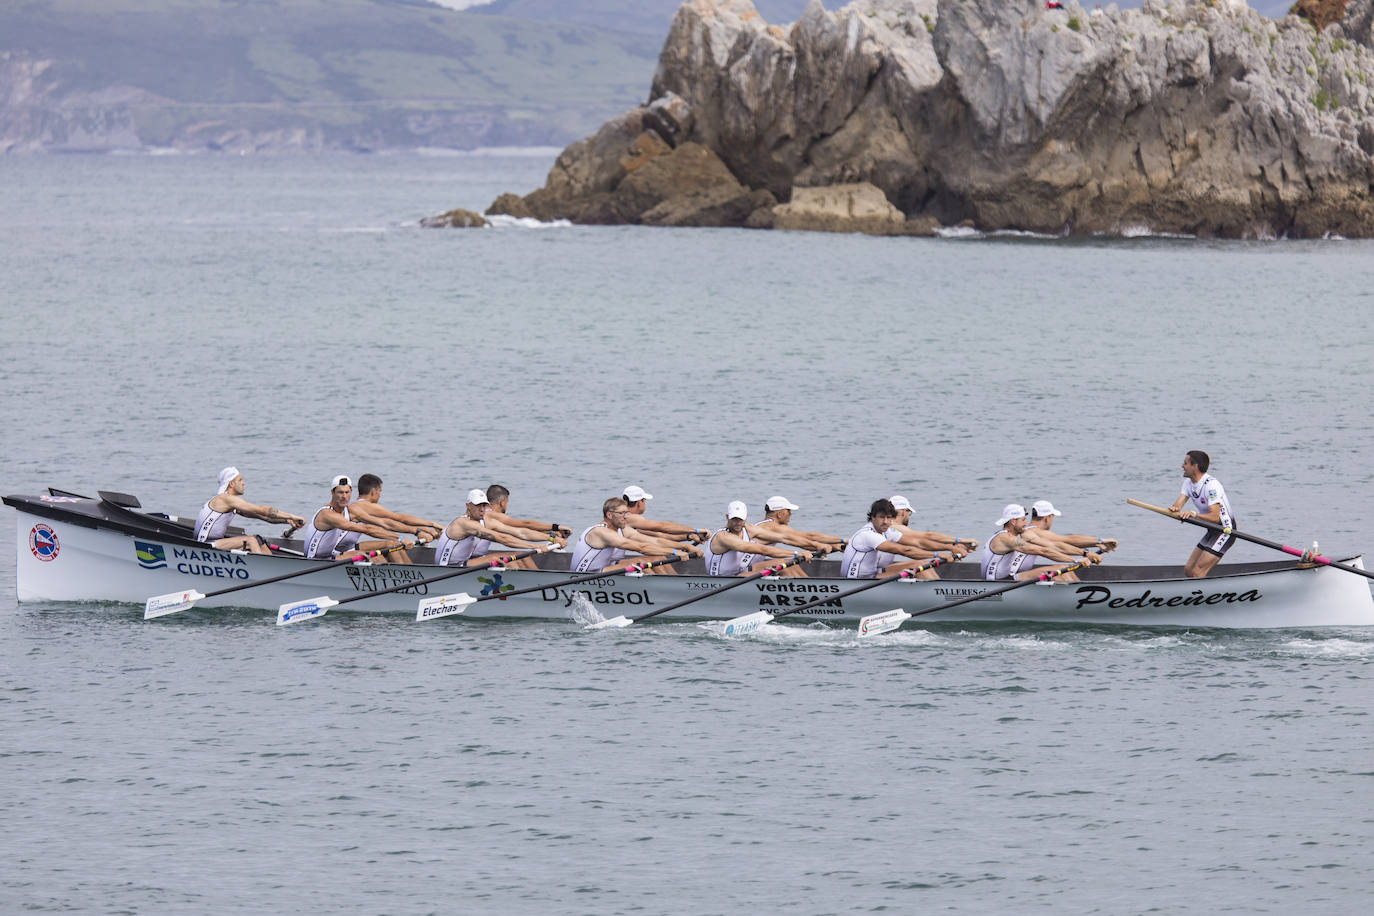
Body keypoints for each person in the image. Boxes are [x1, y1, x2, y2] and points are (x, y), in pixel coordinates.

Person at [569, 497, 701, 573]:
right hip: (586, 576)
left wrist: (684, 547)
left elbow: (654, 542)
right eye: (622, 513)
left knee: (658, 558)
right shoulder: (601, 532)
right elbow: (641, 548)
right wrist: (674, 552)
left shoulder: (623, 529)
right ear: (609, 515)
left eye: (627, 513)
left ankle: (677, 587)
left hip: (604, 569)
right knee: (641, 562)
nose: (626, 517)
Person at [300, 474, 413, 563]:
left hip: (332, 555)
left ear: (351, 492)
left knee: (385, 552)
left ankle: (412, 577)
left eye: (347, 492)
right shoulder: (327, 514)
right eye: (340, 492)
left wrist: (416, 532)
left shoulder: (350, 510)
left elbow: (382, 523)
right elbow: (367, 529)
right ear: (332, 492)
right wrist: (400, 538)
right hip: (316, 560)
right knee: (370, 558)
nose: (344, 496)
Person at [193, 466, 306, 555]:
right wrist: (292, 516)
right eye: (240, 480)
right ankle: (265, 574)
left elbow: (265, 517)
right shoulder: (225, 499)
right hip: (205, 545)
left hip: (217, 542)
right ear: (231, 484)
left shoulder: (231, 504)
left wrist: (287, 521)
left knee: (258, 539)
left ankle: (273, 570)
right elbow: (263, 510)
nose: (243, 483)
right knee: (251, 541)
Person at [433, 489, 554, 569]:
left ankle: (539, 588)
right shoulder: (463, 523)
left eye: (484, 505)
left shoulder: (484, 521)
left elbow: (520, 532)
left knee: (522, 557)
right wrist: (534, 547)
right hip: (448, 568)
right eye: (478, 505)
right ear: (468, 506)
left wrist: (551, 538)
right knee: (497, 559)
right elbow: (501, 538)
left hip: (465, 562)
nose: (482, 509)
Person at [841, 498, 959, 579]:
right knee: (920, 568)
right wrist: (936, 555)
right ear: (873, 517)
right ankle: (941, 598)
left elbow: (918, 542)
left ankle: (939, 592)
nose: (886, 522)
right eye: (882, 517)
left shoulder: (887, 531)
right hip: (859, 581)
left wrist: (949, 547)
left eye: (889, 518)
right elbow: (904, 550)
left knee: (921, 563)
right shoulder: (867, 535)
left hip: (874, 574)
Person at [981, 503, 1099, 582]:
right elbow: (1042, 551)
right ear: (1012, 521)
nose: (1026, 524)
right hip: (997, 583)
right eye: (1023, 520)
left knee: (1064, 568)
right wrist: (1076, 560)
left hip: (1009, 577)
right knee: (1057, 571)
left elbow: (1053, 545)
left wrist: (1084, 554)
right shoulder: (1005, 539)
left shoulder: (1018, 535)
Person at [1167, 450, 1236, 578]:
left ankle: (1202, 595)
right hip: (1212, 531)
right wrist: (1174, 510)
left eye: (1185, 463)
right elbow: (1177, 506)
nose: (1182, 466)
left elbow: (1214, 518)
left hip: (1225, 531)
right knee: (1189, 569)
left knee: (1198, 571)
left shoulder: (1212, 486)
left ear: (1195, 466)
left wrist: (1193, 515)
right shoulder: (1188, 483)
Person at [701, 501, 814, 576]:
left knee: (786, 563)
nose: (737, 523)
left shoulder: (750, 529)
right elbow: (763, 550)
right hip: (721, 582)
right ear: (727, 517)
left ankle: (813, 591)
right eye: (734, 519)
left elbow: (784, 538)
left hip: (740, 573)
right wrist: (796, 554)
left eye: (740, 519)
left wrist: (816, 546)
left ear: (745, 518)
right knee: (784, 567)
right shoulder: (724, 537)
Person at [887, 495, 978, 579]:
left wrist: (952, 546)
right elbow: (927, 537)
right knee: (918, 565)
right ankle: (941, 594)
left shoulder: (890, 528)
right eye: (909, 512)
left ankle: (941, 592)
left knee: (923, 563)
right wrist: (960, 541)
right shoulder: (893, 527)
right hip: (876, 573)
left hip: (883, 568)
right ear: (903, 512)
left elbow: (921, 545)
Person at [348, 473, 442, 544]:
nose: (380, 495)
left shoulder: (359, 507)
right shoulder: (365, 506)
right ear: (373, 491)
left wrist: (425, 530)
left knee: (392, 544)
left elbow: (390, 524)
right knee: (391, 544)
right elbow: (399, 518)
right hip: (342, 551)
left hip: (346, 547)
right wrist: (431, 524)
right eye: (380, 491)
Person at [1024, 500, 1118, 559]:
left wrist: (1096, 544)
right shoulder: (1035, 532)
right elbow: (1068, 540)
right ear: (1047, 518)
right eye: (1053, 517)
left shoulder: (1029, 530)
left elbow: (1066, 543)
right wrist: (1101, 541)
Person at [620, 485, 708, 545]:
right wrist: (696, 530)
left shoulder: (629, 520)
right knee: (656, 558)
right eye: (645, 500)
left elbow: (660, 535)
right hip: (609, 567)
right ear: (640, 502)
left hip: (612, 562)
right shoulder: (629, 517)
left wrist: (689, 536)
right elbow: (663, 527)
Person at [486, 484, 572, 543]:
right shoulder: (492, 515)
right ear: (502, 502)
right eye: (507, 502)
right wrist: (557, 527)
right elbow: (526, 524)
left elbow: (517, 532)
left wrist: (551, 533)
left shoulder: (485, 516)